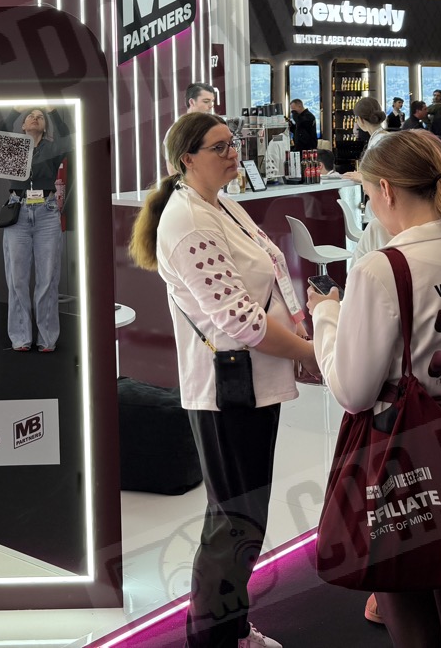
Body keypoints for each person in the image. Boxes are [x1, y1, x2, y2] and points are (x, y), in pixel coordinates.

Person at [308, 132, 441, 648]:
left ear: (386, 189)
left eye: (367, 194)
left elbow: (353, 392)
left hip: (398, 459)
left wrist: (326, 318)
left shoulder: (381, 268)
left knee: (408, 617)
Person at [129, 112, 316, 648]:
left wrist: (300, 326)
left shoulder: (220, 205)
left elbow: (271, 272)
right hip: (226, 390)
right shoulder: (188, 221)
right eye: (219, 147)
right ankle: (213, 638)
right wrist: (310, 353)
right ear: (187, 159)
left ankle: (231, 630)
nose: (234, 153)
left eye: (232, 143)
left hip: (255, 381)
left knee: (242, 518)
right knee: (234, 522)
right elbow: (240, 321)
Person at [0, 107, 71, 352]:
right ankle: (21, 337)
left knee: (48, 278)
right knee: (16, 279)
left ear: (45, 126)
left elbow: (67, 138)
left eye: (40, 117)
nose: (35, 118)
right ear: (22, 125)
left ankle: (47, 338)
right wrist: (13, 111)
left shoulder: (52, 148)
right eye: (30, 116)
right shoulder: (13, 148)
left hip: (46, 212)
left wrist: (55, 112)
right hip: (17, 212)